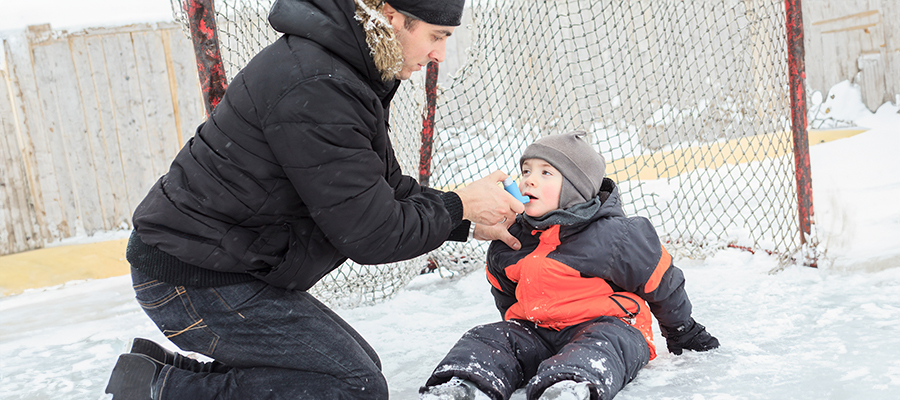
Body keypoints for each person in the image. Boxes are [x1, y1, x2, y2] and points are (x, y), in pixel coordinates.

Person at [103, 0, 526, 399]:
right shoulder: (319, 85)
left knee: (349, 372)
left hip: (223, 259)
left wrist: (464, 223)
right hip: (190, 277)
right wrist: (460, 204)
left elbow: (387, 189)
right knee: (352, 387)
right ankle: (159, 390)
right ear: (392, 16)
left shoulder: (345, 70)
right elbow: (372, 235)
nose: (440, 54)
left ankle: (154, 370)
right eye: (436, 35)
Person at [419, 132, 720, 400]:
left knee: (603, 345)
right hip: (537, 331)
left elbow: (661, 282)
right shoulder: (512, 237)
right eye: (526, 171)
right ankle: (462, 385)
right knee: (488, 337)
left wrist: (682, 329)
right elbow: (504, 289)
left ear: (575, 188)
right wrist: (515, 329)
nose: (528, 180)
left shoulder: (616, 235)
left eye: (545, 172)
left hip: (610, 325)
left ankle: (569, 388)